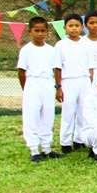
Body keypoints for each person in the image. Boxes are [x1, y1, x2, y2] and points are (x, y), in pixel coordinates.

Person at [18, 17, 65, 162]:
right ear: (29, 31)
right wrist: (26, 88)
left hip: (47, 83)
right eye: (36, 31)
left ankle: (46, 148)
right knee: (32, 116)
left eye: (42, 31)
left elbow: (57, 69)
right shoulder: (26, 50)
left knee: (48, 115)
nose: (40, 34)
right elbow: (21, 71)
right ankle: (34, 150)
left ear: (47, 31)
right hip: (32, 82)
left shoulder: (51, 50)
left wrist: (57, 87)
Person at [54, 14, 92, 154]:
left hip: (84, 79)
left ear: (82, 27)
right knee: (68, 112)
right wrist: (58, 87)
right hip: (68, 80)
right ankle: (65, 142)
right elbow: (57, 67)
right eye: (71, 26)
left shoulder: (86, 43)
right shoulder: (61, 45)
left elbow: (90, 66)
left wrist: (92, 84)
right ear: (65, 28)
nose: (74, 29)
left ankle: (79, 139)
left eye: (77, 26)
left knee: (83, 111)